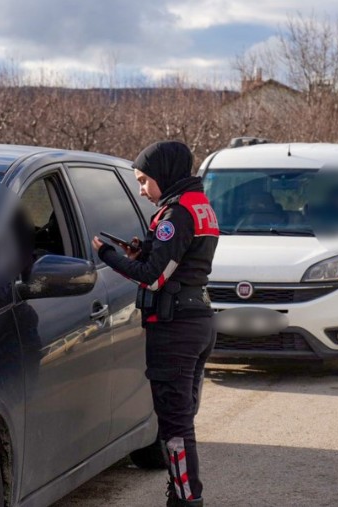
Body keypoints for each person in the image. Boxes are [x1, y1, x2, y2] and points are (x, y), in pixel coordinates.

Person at [91, 141, 218, 507]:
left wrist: (108, 255)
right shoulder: (198, 206)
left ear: (164, 175)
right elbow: (180, 261)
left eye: (145, 180)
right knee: (182, 420)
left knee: (175, 427)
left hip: (176, 327)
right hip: (196, 320)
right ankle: (182, 492)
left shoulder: (177, 213)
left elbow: (153, 277)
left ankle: (185, 497)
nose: (142, 189)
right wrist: (141, 253)